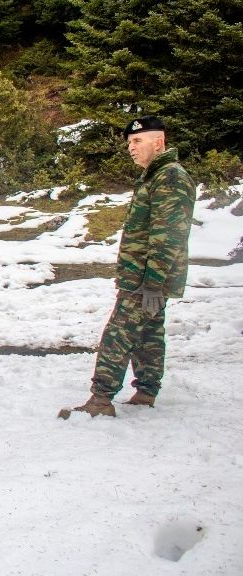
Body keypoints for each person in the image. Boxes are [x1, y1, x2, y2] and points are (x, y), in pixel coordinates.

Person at [59, 116, 197, 419]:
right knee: (148, 333)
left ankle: (100, 400)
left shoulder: (170, 177)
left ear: (158, 142)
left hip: (146, 278)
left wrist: (153, 282)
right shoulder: (155, 175)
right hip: (143, 276)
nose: (131, 148)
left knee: (118, 333)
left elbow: (168, 235)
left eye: (137, 141)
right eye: (129, 143)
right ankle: (146, 392)